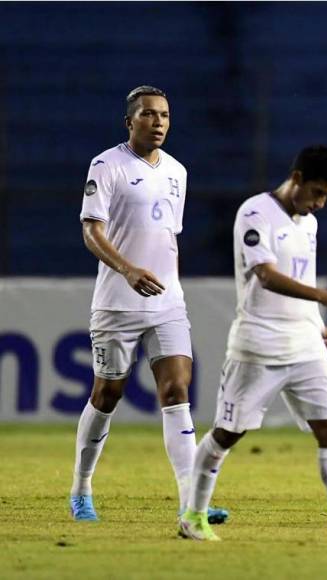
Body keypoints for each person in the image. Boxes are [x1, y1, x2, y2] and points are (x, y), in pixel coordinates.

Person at [178, 146, 327, 543]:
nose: (320, 203)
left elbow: (302, 273)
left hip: (304, 347)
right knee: (228, 432)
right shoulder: (256, 212)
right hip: (258, 345)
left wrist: (316, 323)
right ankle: (192, 515)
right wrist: (324, 298)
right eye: (316, 192)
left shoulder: (307, 223)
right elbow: (265, 275)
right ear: (295, 177)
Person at [72, 85, 227, 525]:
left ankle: (189, 501)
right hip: (117, 304)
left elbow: (166, 236)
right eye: (147, 115)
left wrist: (166, 280)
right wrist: (127, 269)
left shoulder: (178, 171)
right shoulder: (107, 165)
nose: (157, 122)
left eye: (164, 115)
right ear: (129, 121)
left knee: (177, 392)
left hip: (167, 303)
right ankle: (81, 488)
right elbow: (91, 231)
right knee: (107, 394)